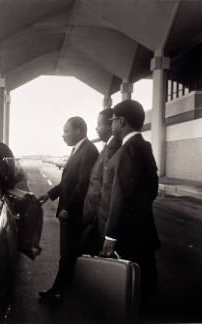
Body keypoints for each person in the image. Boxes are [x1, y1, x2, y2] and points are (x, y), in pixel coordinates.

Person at [98, 100, 160, 311]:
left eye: (112, 120)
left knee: (129, 296)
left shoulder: (127, 151)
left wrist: (110, 237)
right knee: (146, 290)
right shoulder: (144, 146)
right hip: (143, 231)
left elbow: (120, 196)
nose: (111, 124)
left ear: (121, 121)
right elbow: (152, 190)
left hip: (128, 236)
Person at [38, 116, 98, 302]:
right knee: (70, 252)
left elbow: (82, 184)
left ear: (78, 130)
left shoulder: (87, 151)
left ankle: (58, 291)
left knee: (68, 253)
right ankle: (68, 289)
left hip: (74, 213)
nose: (63, 135)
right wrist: (49, 194)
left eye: (66, 130)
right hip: (69, 210)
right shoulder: (79, 149)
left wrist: (69, 208)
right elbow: (68, 182)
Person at [77, 108, 122, 255]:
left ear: (110, 126)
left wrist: (90, 217)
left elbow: (105, 191)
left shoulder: (113, 150)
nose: (96, 128)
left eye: (99, 124)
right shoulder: (107, 148)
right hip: (94, 220)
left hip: (98, 222)